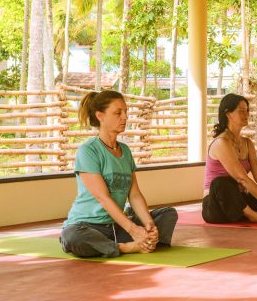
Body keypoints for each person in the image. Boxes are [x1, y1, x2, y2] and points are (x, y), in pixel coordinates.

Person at [59, 90, 177, 257]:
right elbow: (103, 198)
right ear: (100, 116)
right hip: (86, 226)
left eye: (125, 111)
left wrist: (149, 225)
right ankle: (126, 247)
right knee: (72, 237)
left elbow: (134, 195)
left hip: (116, 226)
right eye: (117, 113)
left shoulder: (126, 151)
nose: (125, 117)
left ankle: (141, 241)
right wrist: (134, 229)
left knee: (168, 214)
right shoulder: (88, 151)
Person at [202, 93, 257, 224]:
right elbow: (241, 178)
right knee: (221, 182)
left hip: (240, 205)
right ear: (228, 114)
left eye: (247, 110)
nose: (246, 114)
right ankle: (256, 217)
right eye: (241, 111)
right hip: (218, 207)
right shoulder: (221, 142)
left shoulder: (247, 143)